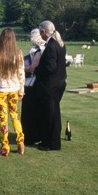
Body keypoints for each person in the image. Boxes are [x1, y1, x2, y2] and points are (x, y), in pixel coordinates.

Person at [0, 28, 26, 157]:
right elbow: (21, 74)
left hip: (1, 89)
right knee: (15, 115)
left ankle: (5, 147)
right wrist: (22, 90)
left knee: (3, 118)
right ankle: (20, 141)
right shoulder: (19, 53)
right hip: (14, 88)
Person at [34, 20, 67, 151]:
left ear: (43, 32)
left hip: (51, 86)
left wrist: (36, 70)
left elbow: (50, 68)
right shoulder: (60, 44)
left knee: (50, 115)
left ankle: (51, 143)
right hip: (59, 83)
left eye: (40, 32)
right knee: (54, 114)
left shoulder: (51, 46)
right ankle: (51, 140)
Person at [21, 29, 45, 146]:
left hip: (32, 84)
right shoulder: (43, 48)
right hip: (37, 84)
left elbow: (32, 68)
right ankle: (37, 134)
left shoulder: (38, 51)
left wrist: (20, 68)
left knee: (29, 112)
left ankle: (30, 136)